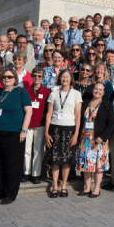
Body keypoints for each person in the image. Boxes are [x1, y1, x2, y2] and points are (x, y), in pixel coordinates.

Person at [0, 68, 33, 205]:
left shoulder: (20, 91)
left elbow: (28, 111)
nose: (7, 79)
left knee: (12, 165)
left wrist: (24, 130)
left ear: (15, 79)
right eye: (4, 76)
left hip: (14, 134)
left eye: (10, 77)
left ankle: (10, 194)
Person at [44, 69, 82, 198]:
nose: (65, 79)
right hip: (55, 128)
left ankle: (64, 186)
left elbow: (78, 115)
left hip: (69, 129)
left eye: (67, 77)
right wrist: (46, 133)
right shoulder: (54, 94)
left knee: (66, 160)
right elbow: (49, 114)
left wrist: (76, 134)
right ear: (59, 79)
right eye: (63, 77)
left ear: (71, 79)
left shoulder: (76, 94)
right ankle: (55, 186)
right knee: (55, 160)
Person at [77, 83, 114, 198]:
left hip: (99, 140)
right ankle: (87, 188)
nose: (97, 91)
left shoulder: (107, 105)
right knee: (86, 165)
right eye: (96, 89)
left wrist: (103, 137)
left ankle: (96, 189)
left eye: (100, 90)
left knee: (98, 165)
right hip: (85, 139)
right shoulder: (85, 103)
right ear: (92, 90)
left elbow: (111, 123)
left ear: (103, 93)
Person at [24, 67, 50, 184]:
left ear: (42, 77)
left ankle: (36, 174)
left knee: (38, 151)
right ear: (32, 76)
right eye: (35, 76)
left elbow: (48, 110)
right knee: (27, 150)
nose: (37, 78)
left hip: (40, 124)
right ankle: (26, 172)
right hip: (28, 124)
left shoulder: (47, 92)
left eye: (39, 76)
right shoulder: (26, 91)